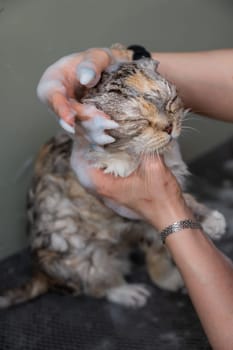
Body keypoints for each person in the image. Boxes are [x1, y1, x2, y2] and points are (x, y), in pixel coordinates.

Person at [37, 46, 233, 350]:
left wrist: (171, 211)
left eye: (170, 103)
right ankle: (108, 288)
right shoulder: (103, 156)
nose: (168, 126)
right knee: (93, 265)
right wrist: (126, 55)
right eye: (142, 122)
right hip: (86, 242)